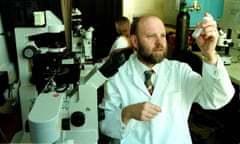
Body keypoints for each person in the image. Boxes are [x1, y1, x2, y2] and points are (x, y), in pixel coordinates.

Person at [99, 13, 235, 144]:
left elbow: (216, 98)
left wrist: (210, 54)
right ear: (135, 41)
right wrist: (126, 113)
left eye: (162, 35)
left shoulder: (180, 71)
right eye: (151, 36)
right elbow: (104, 125)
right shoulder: (117, 75)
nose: (160, 43)